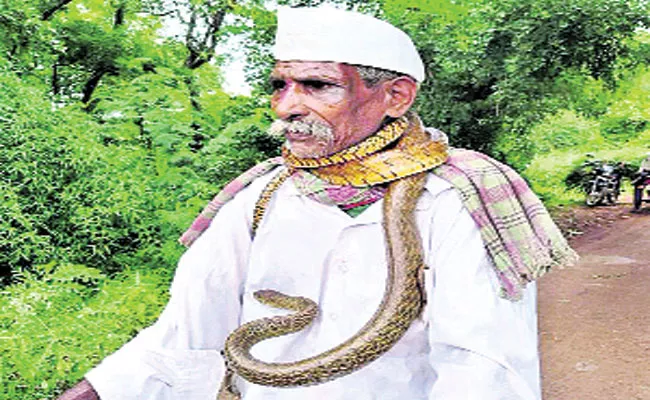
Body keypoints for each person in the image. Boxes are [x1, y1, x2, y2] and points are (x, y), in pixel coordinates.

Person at [57, 6, 577, 400]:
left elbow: (481, 366)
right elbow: (185, 330)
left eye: (317, 86)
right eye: (280, 85)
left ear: (396, 96)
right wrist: (93, 392)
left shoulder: (457, 196)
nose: (287, 106)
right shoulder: (259, 195)